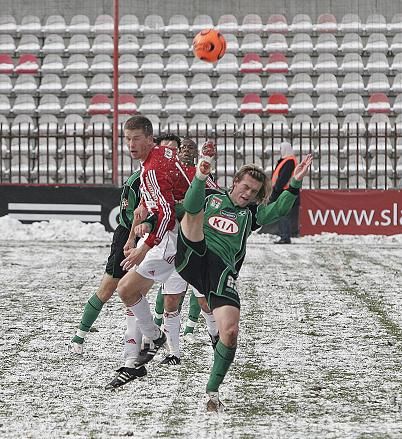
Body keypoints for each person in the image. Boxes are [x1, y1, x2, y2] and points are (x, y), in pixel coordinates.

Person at [174, 144, 313, 411]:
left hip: (221, 271)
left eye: (254, 192)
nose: (247, 194)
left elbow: (279, 210)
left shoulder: (251, 214)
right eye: (245, 187)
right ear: (235, 181)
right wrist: (201, 177)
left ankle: (212, 394)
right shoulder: (212, 197)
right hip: (193, 254)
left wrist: (295, 182)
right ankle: (202, 169)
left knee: (230, 331)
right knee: (194, 214)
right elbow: (188, 207)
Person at [105, 116, 196, 389]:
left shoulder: (152, 167)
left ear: (149, 139)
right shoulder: (158, 157)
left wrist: (144, 247)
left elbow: (167, 212)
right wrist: (139, 222)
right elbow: (161, 194)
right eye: (127, 138)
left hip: (174, 237)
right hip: (176, 232)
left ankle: (154, 339)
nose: (130, 144)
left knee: (126, 291)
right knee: (132, 294)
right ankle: (133, 361)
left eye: (136, 139)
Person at [70, 133, 143, 355]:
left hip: (156, 239)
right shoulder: (135, 181)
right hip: (130, 236)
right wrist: (138, 233)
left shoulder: (169, 180)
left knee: (156, 290)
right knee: (109, 287)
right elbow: (130, 215)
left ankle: (154, 341)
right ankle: (79, 336)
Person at [152, 137, 219, 365]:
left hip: (198, 247)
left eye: (191, 148)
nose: (186, 152)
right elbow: (165, 206)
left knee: (205, 302)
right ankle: (174, 353)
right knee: (171, 301)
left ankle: (215, 338)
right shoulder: (168, 175)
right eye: (183, 148)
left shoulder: (202, 176)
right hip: (174, 247)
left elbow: (217, 198)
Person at [271, 141, 298, 244]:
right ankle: (283, 235)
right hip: (284, 190)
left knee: (284, 214)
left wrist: (277, 188)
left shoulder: (289, 161)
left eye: (281, 148)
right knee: (282, 213)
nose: (280, 150)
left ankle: (285, 236)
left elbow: (283, 178)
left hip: (285, 191)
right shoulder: (286, 160)